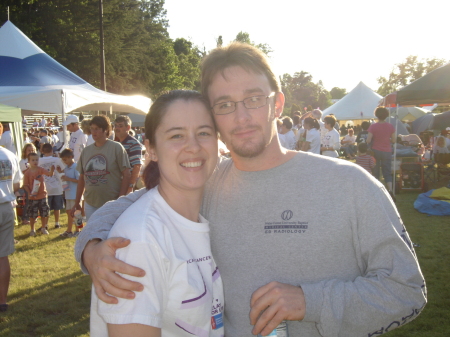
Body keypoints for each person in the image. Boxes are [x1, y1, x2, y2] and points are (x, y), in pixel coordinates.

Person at [76, 43, 426, 337]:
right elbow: (124, 210)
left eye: (254, 99)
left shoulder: (351, 185)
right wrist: (91, 250)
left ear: (278, 104)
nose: (241, 116)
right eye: (225, 104)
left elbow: (407, 290)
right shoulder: (206, 184)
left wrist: (311, 301)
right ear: (214, 117)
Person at [88, 90, 224, 337]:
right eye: (176, 135)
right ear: (151, 150)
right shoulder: (140, 240)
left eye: (203, 133)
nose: (193, 146)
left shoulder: (196, 217)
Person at [71, 115, 131, 221]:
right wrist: (77, 202)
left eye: (97, 129)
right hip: (91, 202)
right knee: (93, 234)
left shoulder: (116, 148)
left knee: (110, 234)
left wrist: (120, 199)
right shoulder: (86, 151)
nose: (94, 132)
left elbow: (126, 174)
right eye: (92, 129)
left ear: (105, 130)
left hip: (111, 201)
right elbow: (81, 178)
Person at [0, 122, 22, 313]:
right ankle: (2, 301)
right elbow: (17, 185)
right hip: (6, 206)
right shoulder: (10, 155)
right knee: (2, 255)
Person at [23, 152, 55, 236]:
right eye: (33, 160)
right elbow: (25, 185)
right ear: (29, 161)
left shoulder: (40, 169)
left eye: (36, 160)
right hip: (32, 197)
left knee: (44, 212)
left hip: (42, 195)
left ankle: (43, 228)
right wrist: (29, 193)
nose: (35, 161)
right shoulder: (27, 173)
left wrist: (52, 170)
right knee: (33, 214)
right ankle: (32, 229)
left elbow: (49, 174)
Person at [367, 107, 396, 196]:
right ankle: (390, 190)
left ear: (376, 115)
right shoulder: (390, 126)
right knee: (387, 172)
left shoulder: (373, 126)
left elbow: (368, 140)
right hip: (387, 151)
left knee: (376, 172)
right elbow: (394, 140)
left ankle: (377, 191)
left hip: (376, 151)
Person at [113, 116, 144, 194]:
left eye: (120, 126)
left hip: (126, 185)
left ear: (128, 127)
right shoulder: (116, 143)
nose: (117, 128)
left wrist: (130, 186)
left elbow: (137, 166)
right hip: (116, 185)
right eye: (115, 126)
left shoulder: (134, 143)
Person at [39, 143, 65, 229]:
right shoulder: (57, 160)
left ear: (42, 151)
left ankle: (45, 224)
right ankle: (57, 223)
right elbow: (63, 169)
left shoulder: (39, 160)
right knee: (57, 207)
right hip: (57, 187)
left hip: (45, 187)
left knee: (46, 208)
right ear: (52, 150)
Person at [57, 149, 81, 238]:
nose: (64, 162)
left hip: (75, 194)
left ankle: (78, 230)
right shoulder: (66, 168)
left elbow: (80, 180)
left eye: (65, 160)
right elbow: (66, 177)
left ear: (71, 157)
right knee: (69, 212)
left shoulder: (76, 167)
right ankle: (69, 230)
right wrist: (60, 172)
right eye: (63, 160)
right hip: (68, 193)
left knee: (76, 213)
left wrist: (68, 179)